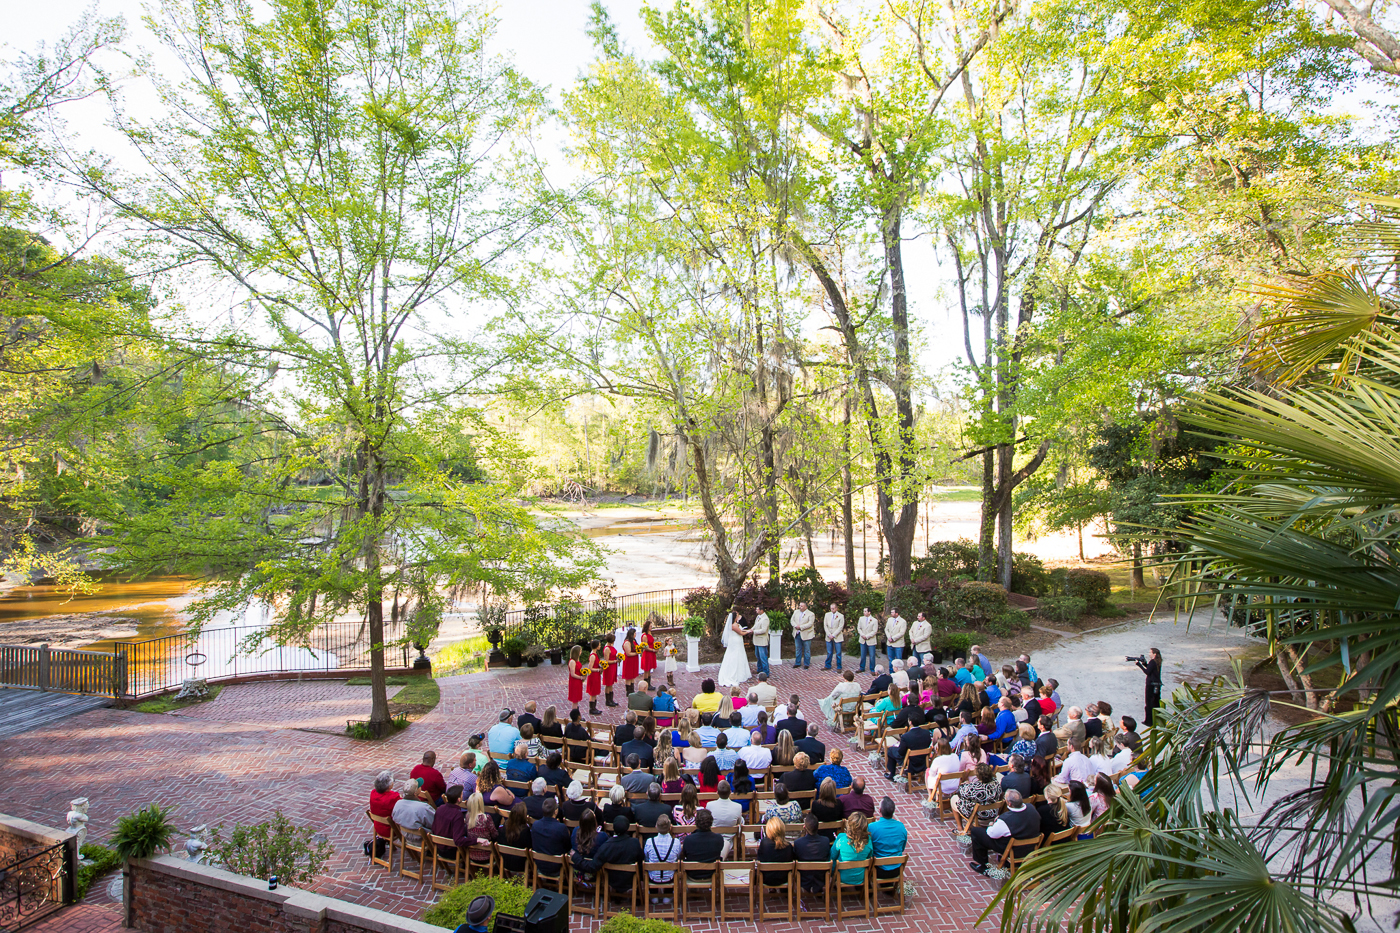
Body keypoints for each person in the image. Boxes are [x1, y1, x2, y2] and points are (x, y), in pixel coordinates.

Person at [969, 789, 1040, 874]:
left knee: (976, 832)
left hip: (1012, 849)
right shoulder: (1031, 808)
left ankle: (983, 865)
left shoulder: (1006, 820)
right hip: (1031, 846)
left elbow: (991, 834)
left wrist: (992, 824)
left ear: (1009, 803)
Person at [581, 816, 643, 893]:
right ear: (627, 828)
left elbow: (593, 865)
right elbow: (641, 861)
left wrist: (575, 857)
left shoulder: (606, 846)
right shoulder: (635, 843)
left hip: (612, 880)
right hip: (630, 879)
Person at [530, 797, 571, 877]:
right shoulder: (561, 828)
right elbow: (568, 847)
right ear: (556, 811)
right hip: (557, 867)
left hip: (540, 864)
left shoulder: (535, 825)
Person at [680, 809, 725, 882]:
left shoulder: (688, 839)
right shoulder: (718, 838)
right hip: (711, 873)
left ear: (696, 822)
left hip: (693, 873)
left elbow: (684, 854)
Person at [868, 797, 907, 878]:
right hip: (896, 869)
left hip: (878, 869)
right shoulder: (901, 826)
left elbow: (868, 849)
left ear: (879, 810)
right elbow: (902, 848)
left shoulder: (872, 827)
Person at [886, 710, 931, 781]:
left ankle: (892, 774)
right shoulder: (926, 733)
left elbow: (901, 752)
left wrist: (898, 746)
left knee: (891, 750)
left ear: (910, 722)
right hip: (923, 758)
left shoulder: (906, 736)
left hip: (910, 760)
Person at [832, 812, 874, 884]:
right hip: (860, 877)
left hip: (841, 877)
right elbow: (870, 857)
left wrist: (832, 873)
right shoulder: (868, 841)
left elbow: (832, 857)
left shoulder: (841, 838)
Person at [794, 813, 831, 891]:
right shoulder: (825, 841)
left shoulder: (798, 843)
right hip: (821, 878)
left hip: (803, 879)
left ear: (804, 827)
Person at [706, 780, 744, 856]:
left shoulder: (709, 805)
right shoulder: (738, 807)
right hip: (729, 836)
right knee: (742, 820)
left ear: (717, 792)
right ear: (730, 792)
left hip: (714, 836)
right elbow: (739, 823)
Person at [717, 606, 752, 688]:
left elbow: (741, 631)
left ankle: (740, 673)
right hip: (735, 642)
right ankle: (734, 674)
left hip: (736, 641)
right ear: (734, 617)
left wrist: (747, 630)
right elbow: (741, 633)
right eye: (737, 616)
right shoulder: (734, 625)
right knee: (735, 657)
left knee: (739, 656)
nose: (738, 617)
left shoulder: (734, 624)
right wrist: (748, 632)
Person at [368, 771, 399, 857]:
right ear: (389, 785)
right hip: (391, 830)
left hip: (378, 827)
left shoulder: (373, 793)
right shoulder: (394, 797)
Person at [570, 809, 606, 882]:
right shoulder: (602, 837)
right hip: (594, 873)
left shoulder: (575, 831)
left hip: (577, 871)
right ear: (594, 822)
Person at [462, 792, 496, 866]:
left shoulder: (467, 816)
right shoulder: (486, 818)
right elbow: (494, 835)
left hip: (471, 855)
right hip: (487, 855)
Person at [497, 803, 532, 873]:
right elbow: (529, 847)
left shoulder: (503, 828)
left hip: (506, 862)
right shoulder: (525, 831)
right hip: (521, 865)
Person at [1135, 648, 1163, 726]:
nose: (1149, 654)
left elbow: (1147, 672)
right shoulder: (1157, 662)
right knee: (1156, 702)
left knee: (1149, 703)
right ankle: (1157, 719)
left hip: (1151, 685)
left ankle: (1149, 721)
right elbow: (1150, 669)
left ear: (1154, 654)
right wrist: (1144, 663)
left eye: (1150, 652)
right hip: (1157, 684)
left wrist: (1139, 664)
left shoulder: (1153, 662)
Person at [791, 601, 816, 669]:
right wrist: (795, 625)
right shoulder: (796, 612)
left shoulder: (811, 614)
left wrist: (801, 627)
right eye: (799, 605)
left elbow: (810, 624)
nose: (800, 607)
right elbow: (792, 620)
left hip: (806, 634)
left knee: (807, 649)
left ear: (806, 607)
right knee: (798, 649)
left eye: (802, 606)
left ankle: (806, 663)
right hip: (797, 633)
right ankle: (797, 662)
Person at [823, 602, 846, 671]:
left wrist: (833, 635)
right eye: (831, 608)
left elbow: (840, 627)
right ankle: (827, 665)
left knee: (838, 652)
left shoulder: (841, 616)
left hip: (837, 636)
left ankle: (839, 667)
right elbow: (825, 625)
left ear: (836, 608)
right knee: (829, 652)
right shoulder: (827, 615)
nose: (832, 610)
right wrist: (829, 634)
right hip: (828, 636)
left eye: (833, 608)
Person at [856, 608, 879, 673]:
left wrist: (867, 636)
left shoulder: (874, 620)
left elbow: (874, 631)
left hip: (871, 640)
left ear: (869, 612)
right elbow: (859, 628)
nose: (864, 612)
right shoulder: (861, 619)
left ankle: (872, 669)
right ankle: (861, 667)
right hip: (862, 639)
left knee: (872, 656)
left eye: (865, 611)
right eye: (863, 611)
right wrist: (862, 635)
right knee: (863, 655)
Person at [751, 604, 771, 676]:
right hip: (757, 640)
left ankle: (766, 672)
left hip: (762, 641)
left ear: (761, 610)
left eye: (757, 609)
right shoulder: (758, 617)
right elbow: (755, 625)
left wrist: (754, 631)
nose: (756, 610)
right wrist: (751, 629)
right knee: (758, 656)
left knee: (763, 657)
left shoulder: (765, 619)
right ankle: (759, 669)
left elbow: (763, 630)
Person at [639, 619, 658, 691]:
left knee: (649, 669)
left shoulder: (650, 634)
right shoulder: (644, 636)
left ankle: (649, 683)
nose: (651, 627)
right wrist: (653, 650)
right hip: (647, 654)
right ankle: (646, 684)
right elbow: (645, 647)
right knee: (646, 669)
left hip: (651, 653)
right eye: (650, 626)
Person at [621, 629, 641, 695]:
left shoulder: (634, 640)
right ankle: (629, 691)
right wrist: (637, 653)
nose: (635, 635)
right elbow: (628, 653)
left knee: (633, 675)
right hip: (629, 661)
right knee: (629, 676)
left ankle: (632, 690)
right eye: (634, 633)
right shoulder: (627, 642)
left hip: (634, 660)